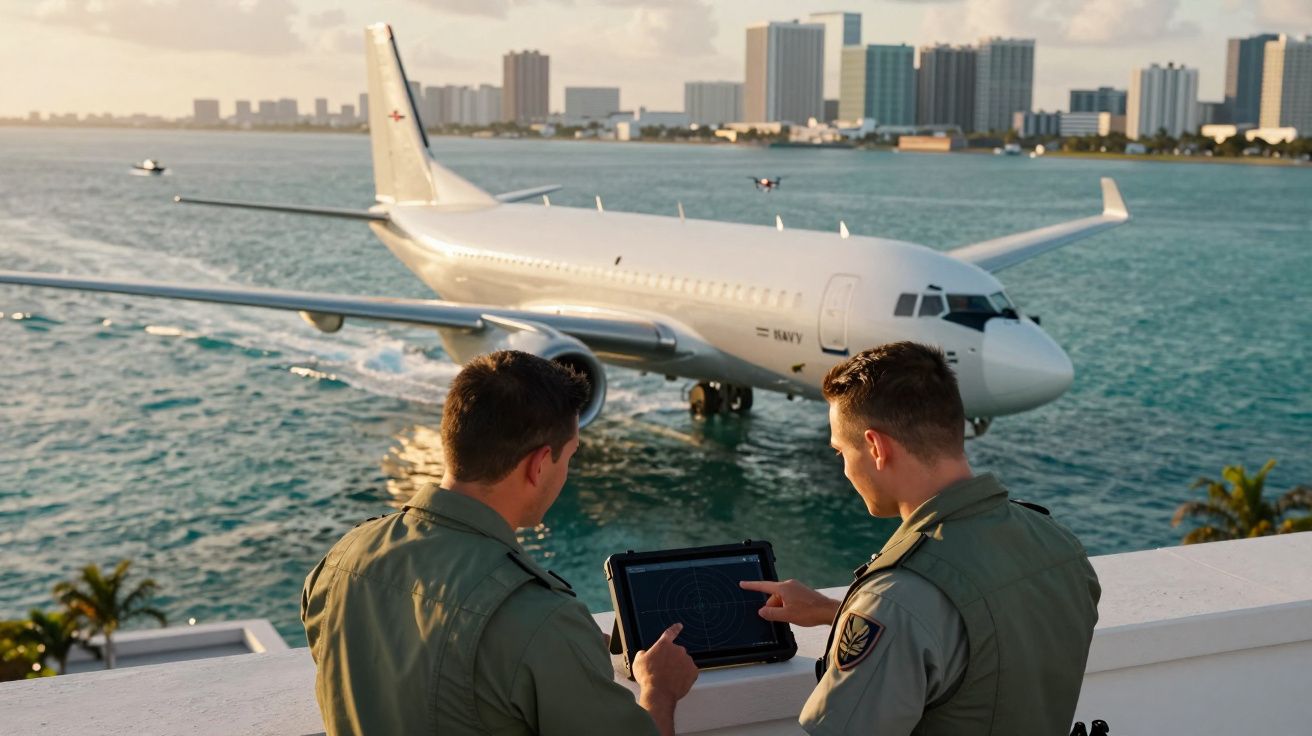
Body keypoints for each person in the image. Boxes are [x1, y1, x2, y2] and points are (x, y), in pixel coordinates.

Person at [302, 350, 698, 736]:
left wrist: (561, 651)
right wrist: (659, 691)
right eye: (570, 457)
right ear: (539, 464)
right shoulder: (540, 617)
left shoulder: (341, 559)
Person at [742, 342, 1101, 735]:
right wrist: (838, 612)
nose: (844, 468)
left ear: (876, 447)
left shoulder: (896, 598)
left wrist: (872, 613)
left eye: (841, 451)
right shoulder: (1058, 545)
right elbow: (985, 634)